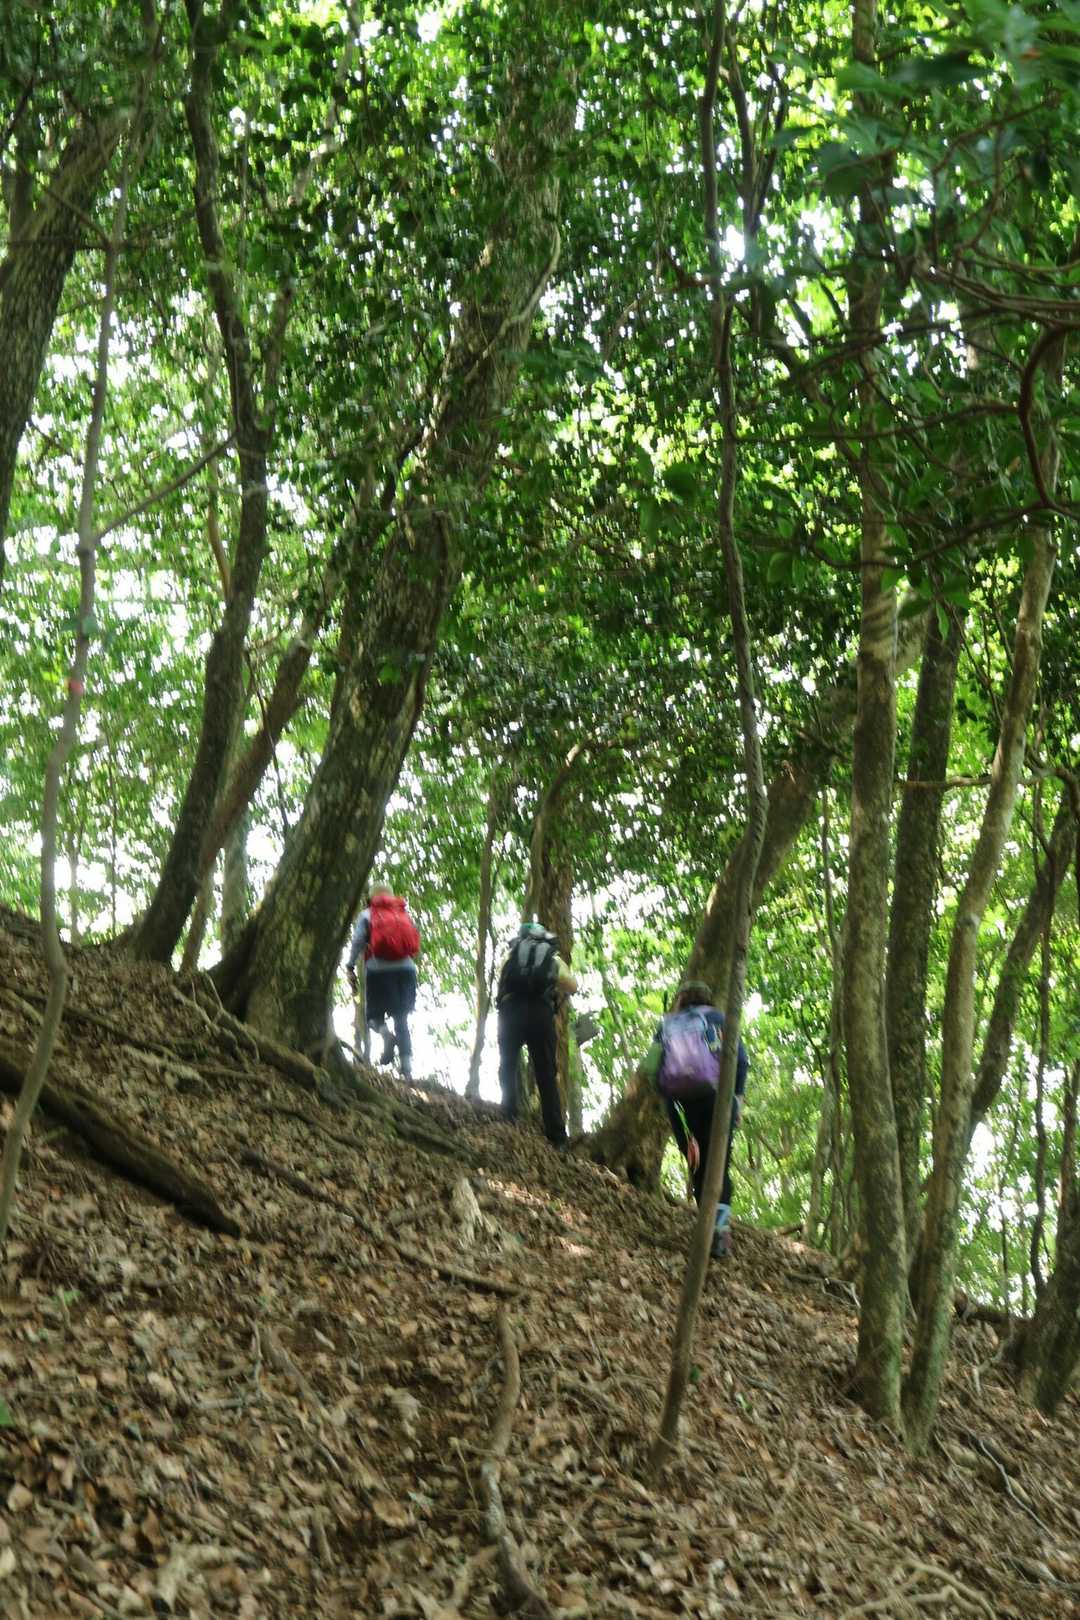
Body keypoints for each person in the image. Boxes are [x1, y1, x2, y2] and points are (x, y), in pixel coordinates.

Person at [638, 979, 748, 1259]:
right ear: (708, 999)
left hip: (680, 1106)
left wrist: (666, 1091)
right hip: (717, 1101)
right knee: (719, 1167)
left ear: (681, 999)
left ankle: (706, 1230)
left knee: (697, 1166)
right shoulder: (718, 1019)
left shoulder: (667, 1024)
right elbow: (741, 1060)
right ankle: (718, 1234)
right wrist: (737, 1099)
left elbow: (650, 1067)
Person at [496, 921, 577, 1146]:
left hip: (511, 1011)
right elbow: (572, 985)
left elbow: (502, 981)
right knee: (546, 1074)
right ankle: (557, 1136)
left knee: (508, 1064)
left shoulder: (512, 954)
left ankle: (508, 1115)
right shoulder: (551, 956)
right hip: (540, 1013)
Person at [346, 884, 420, 1079]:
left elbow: (358, 941)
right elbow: (414, 940)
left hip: (378, 970)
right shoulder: (403, 913)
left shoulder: (367, 914)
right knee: (401, 1019)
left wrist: (350, 965)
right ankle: (407, 1070)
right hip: (407, 970)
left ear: (371, 898)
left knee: (373, 1017)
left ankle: (386, 1035)